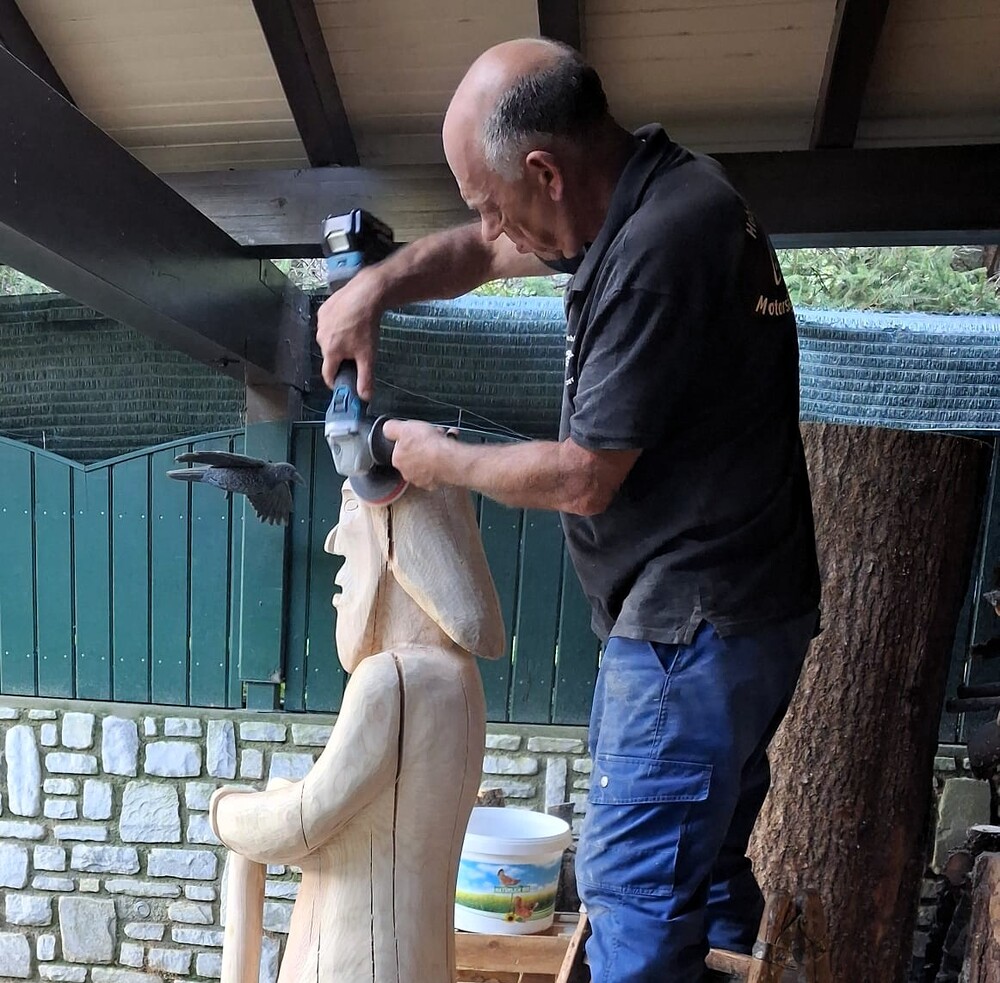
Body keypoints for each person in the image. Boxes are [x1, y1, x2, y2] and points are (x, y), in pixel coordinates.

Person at [316, 37, 821, 983]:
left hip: (692, 622)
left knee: (633, 896)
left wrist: (433, 457)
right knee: (703, 875)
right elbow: (484, 249)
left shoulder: (660, 247)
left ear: (546, 170)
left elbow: (586, 476)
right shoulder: (651, 196)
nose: (488, 222)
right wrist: (374, 287)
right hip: (742, 610)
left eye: (489, 197)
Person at [210, 481, 505, 982]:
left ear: (399, 538)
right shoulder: (460, 682)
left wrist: (226, 810)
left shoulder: (392, 680)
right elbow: (367, 817)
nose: (332, 540)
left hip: (357, 963)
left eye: (350, 506)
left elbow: (299, 822)